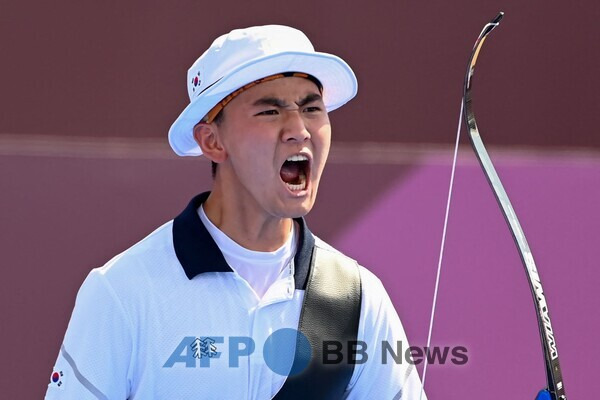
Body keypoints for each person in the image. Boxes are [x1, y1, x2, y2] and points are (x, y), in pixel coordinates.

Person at [45, 25, 426, 399]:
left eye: (311, 108)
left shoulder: (358, 296)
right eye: (270, 112)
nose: (299, 129)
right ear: (212, 140)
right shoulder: (121, 290)